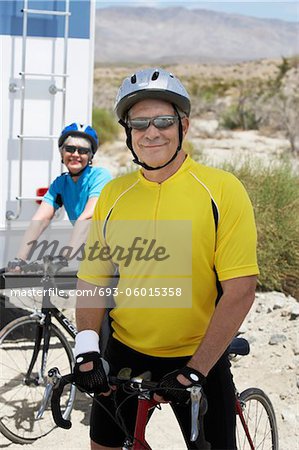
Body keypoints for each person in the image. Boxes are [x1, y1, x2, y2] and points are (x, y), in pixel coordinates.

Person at [74, 68, 259, 450]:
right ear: (127, 132)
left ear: (183, 125)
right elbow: (92, 278)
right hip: (125, 350)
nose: (151, 131)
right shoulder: (114, 194)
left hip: (198, 355)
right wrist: (87, 346)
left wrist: (196, 371)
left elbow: (240, 289)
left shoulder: (221, 190)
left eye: (163, 121)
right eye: (139, 123)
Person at [7, 123, 112, 270]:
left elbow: (88, 218)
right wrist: (20, 260)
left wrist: (63, 258)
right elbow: (40, 219)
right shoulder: (60, 184)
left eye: (82, 151)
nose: (75, 154)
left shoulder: (100, 176)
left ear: (90, 156)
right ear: (62, 153)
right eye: (70, 149)